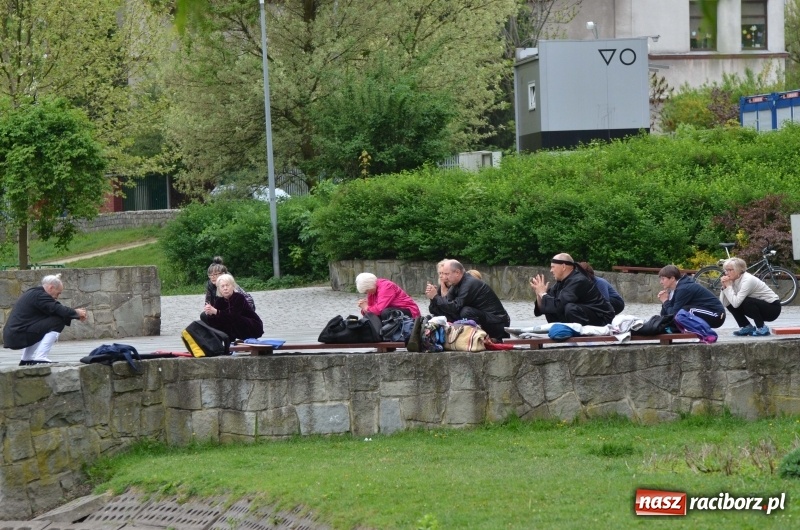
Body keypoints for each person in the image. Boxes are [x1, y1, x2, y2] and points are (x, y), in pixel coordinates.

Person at [2, 274, 87, 365]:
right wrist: (77, 312)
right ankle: (41, 357)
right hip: (18, 336)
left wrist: (75, 315)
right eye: (58, 293)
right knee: (58, 321)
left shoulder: (35, 293)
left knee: (50, 322)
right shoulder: (40, 296)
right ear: (51, 288)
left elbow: (56, 310)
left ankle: (26, 359)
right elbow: (58, 309)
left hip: (15, 335)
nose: (57, 297)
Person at [425, 259, 510, 340]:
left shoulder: (469, 283)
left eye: (447, 274)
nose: (444, 277)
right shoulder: (456, 284)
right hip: (487, 319)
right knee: (441, 316)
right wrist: (432, 299)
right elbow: (444, 308)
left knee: (465, 311)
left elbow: (455, 307)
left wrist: (436, 297)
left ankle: (481, 337)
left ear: (457, 272)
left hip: (498, 323)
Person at [530, 254, 615, 326]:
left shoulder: (579, 280)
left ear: (563, 267)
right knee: (550, 306)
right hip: (586, 315)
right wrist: (539, 293)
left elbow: (560, 305)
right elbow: (542, 309)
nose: (551, 270)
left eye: (553, 267)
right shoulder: (560, 283)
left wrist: (543, 293)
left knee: (570, 308)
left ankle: (579, 336)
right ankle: (560, 331)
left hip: (602, 318)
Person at [719, 257, 781, 336]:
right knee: (731, 302)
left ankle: (762, 328)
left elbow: (736, 303)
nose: (726, 273)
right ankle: (746, 326)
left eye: (729, 270)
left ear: (739, 270)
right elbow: (724, 303)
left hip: (773, 308)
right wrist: (724, 287)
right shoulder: (733, 280)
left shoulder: (748, 280)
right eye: (725, 270)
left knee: (746, 301)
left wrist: (729, 287)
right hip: (759, 306)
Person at [658, 264, 725, 328]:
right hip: (705, 312)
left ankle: (706, 334)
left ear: (672, 278)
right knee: (681, 313)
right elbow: (665, 315)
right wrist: (666, 301)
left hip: (717, 315)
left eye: (663, 279)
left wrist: (665, 301)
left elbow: (673, 314)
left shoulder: (684, 289)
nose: (660, 282)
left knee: (686, 311)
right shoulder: (675, 289)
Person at [201, 273, 264, 340]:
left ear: (233, 286)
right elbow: (216, 320)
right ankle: (222, 340)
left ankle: (236, 338)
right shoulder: (219, 301)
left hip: (252, 327)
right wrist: (210, 313)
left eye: (227, 285)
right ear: (219, 289)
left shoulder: (239, 297)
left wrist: (216, 311)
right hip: (234, 328)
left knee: (235, 319)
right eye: (222, 286)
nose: (225, 288)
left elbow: (233, 316)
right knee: (205, 316)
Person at [356, 272, 421, 318]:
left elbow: (379, 310)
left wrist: (366, 307)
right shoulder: (372, 290)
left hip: (409, 311)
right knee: (373, 315)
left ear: (370, 286)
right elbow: (371, 309)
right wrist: (364, 308)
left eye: (367, 290)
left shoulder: (386, 287)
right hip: (393, 309)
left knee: (386, 312)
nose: (367, 293)